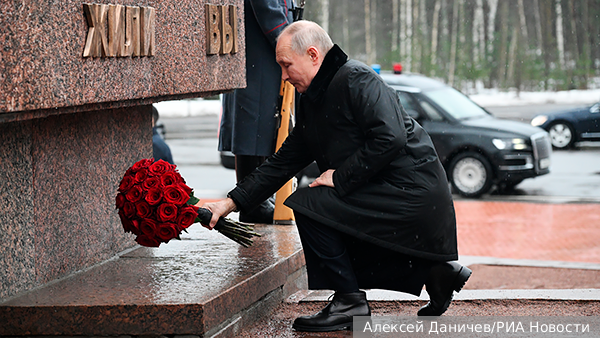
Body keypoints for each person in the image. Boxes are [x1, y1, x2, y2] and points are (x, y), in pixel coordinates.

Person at [201, 21, 471, 332]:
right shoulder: (314, 94)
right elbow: (285, 161)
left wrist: (341, 176)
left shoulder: (355, 78)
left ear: (313, 55)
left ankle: (350, 302)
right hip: (391, 188)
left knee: (309, 204)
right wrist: (231, 203)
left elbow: (391, 137)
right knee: (322, 207)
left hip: (413, 193)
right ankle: (435, 273)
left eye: (286, 65)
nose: (284, 77)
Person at [218, 0, 295, 223]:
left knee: (266, 128)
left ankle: (259, 197)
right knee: (253, 130)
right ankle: (253, 202)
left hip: (264, 54)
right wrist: (289, 44)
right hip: (260, 54)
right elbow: (269, 11)